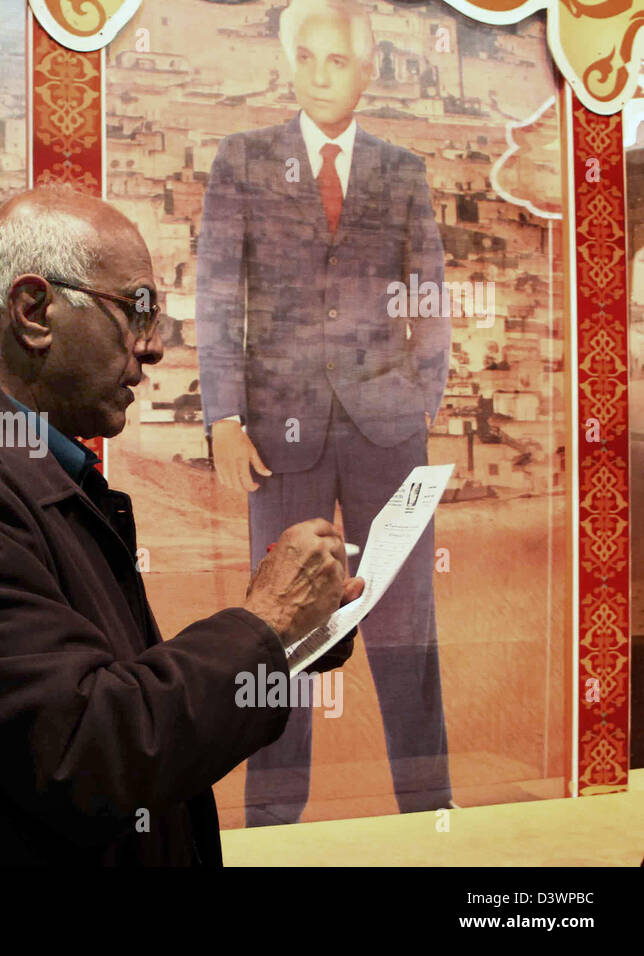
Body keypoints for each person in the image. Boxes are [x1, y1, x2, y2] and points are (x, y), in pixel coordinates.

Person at [0, 186, 362, 865]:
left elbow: (117, 703)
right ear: (34, 311)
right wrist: (266, 623)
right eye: (134, 311)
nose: (151, 347)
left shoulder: (11, 471)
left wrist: (286, 642)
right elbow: (93, 749)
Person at [195, 0, 454, 827]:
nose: (317, 72)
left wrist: (422, 402)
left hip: (390, 434)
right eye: (304, 56)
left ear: (368, 67)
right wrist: (223, 417)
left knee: (407, 625)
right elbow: (216, 295)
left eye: (335, 59)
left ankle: (431, 809)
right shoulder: (242, 161)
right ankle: (273, 824)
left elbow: (432, 301)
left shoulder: (403, 170)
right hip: (278, 439)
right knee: (283, 631)